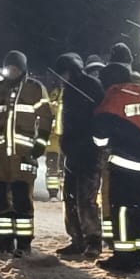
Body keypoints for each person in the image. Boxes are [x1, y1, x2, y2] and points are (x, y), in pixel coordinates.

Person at [94, 55, 140, 272]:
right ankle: (138, 256)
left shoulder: (113, 99)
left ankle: (122, 257)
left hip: (123, 165)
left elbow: (100, 137)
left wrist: (103, 142)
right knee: (138, 210)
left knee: (121, 211)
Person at [0, 51, 51, 254]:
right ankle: (4, 242)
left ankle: (24, 244)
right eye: (9, 68)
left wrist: (40, 143)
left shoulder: (34, 89)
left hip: (24, 156)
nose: (12, 72)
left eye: (15, 68)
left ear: (22, 69)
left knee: (22, 201)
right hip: (1, 158)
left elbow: (46, 117)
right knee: (1, 201)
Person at [50, 53, 104, 259]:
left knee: (86, 199)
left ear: (69, 71)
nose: (60, 78)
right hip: (72, 152)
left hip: (89, 153)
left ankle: (93, 241)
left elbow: (98, 120)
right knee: (70, 197)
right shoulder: (68, 90)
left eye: (62, 73)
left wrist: (91, 143)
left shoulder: (90, 86)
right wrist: (66, 142)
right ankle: (76, 239)